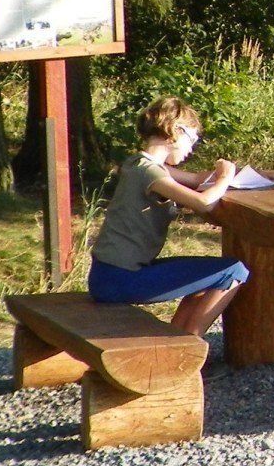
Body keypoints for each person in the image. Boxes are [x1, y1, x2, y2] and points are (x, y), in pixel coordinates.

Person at [87, 97, 249, 336]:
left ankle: (175, 342)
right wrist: (225, 177)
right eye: (192, 139)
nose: (192, 148)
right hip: (120, 280)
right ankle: (187, 349)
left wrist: (249, 176)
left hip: (107, 275)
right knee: (234, 271)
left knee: (205, 278)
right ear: (175, 131)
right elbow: (204, 202)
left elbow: (195, 180)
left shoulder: (138, 162)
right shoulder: (149, 171)